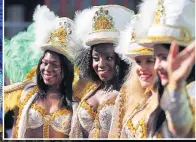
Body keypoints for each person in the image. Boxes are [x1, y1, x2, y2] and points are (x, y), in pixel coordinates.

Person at [4, 5, 78, 138]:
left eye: (55, 64)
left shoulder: (76, 100)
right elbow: (15, 133)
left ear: (65, 69)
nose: (47, 69)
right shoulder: (27, 93)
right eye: (44, 63)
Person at [69, 5, 135, 138]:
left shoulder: (132, 94)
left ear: (121, 59)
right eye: (95, 58)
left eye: (108, 57)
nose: (101, 64)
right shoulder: (87, 91)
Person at [136, 0, 195, 138]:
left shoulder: (191, 92)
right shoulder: (165, 94)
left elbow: (182, 129)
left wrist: (177, 86)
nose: (156, 66)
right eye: (155, 58)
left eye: (163, 57)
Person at [108, 15, 162, 138]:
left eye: (149, 61)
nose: (142, 68)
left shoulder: (177, 102)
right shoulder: (135, 97)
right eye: (138, 62)